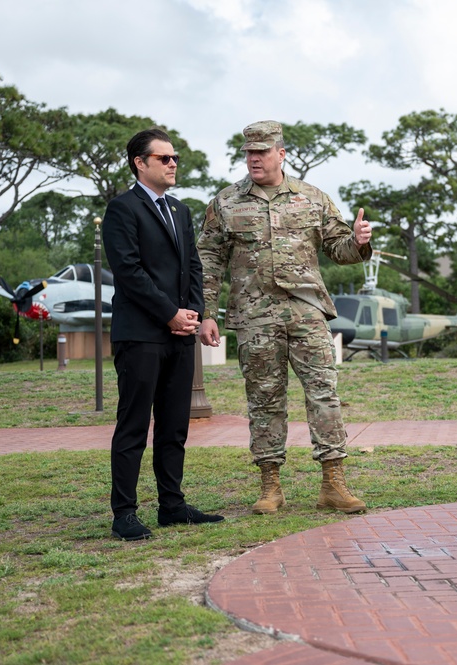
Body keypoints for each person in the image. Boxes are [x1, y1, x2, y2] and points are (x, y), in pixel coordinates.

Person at [198, 120, 372, 515]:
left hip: (306, 313)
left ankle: (333, 483)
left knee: (324, 394)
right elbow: (207, 260)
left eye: (262, 151)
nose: (254, 159)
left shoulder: (313, 198)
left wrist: (360, 242)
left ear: (282, 153)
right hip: (255, 317)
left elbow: (339, 249)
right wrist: (207, 312)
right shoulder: (226, 203)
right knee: (264, 401)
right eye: (248, 152)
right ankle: (270, 487)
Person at [102, 128, 224, 540]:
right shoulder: (122, 209)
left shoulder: (182, 211)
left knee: (174, 426)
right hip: (140, 334)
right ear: (140, 163)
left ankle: (171, 505)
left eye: (175, 159)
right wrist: (170, 313)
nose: (173, 164)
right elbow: (129, 272)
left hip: (179, 335)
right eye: (164, 158)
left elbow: (193, 266)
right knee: (133, 425)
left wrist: (197, 314)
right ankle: (124, 513)